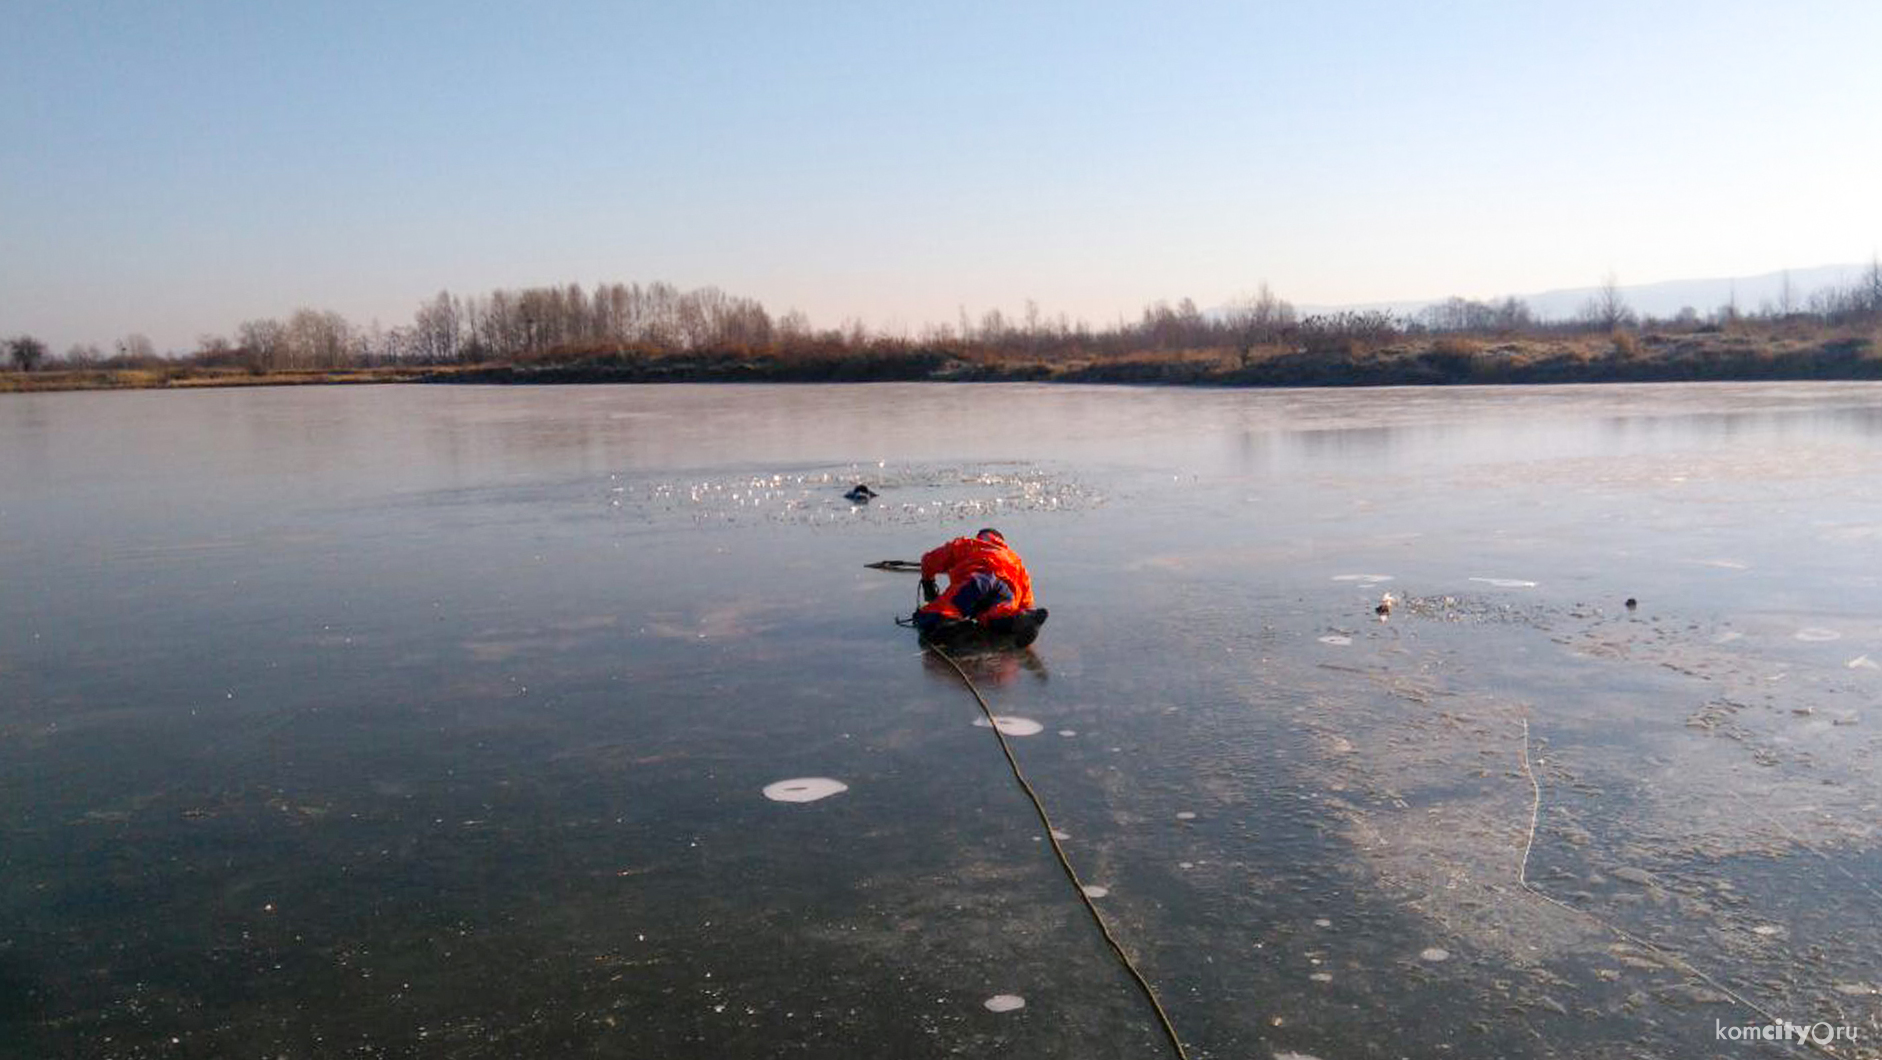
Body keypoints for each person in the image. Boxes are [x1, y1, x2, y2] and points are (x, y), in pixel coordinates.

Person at [914, 528, 1049, 647]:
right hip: (1004, 590)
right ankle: (1020, 620)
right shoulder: (1014, 558)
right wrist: (1026, 611)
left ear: (980, 536)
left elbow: (929, 560)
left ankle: (949, 624)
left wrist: (928, 582)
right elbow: (1026, 599)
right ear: (1001, 540)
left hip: (978, 581)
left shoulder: (969, 544)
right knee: (994, 616)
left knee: (938, 612)